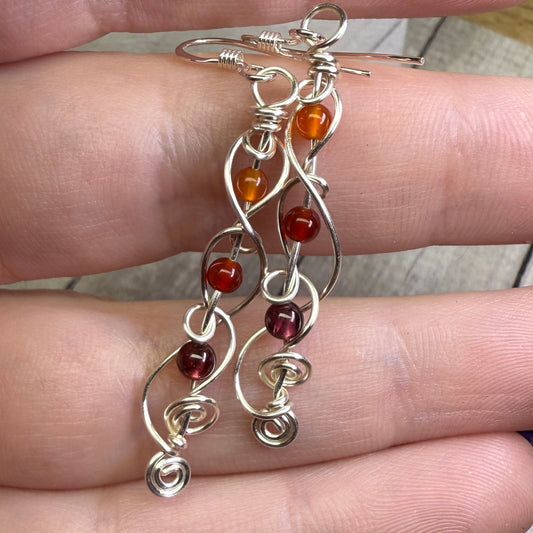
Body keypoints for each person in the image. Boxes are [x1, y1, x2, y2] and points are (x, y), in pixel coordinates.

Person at [0, 1, 532, 530]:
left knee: (275, 256)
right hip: (268, 154)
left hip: (289, 152)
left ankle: (238, 405)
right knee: (235, 272)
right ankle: (198, 424)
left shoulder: (310, 120)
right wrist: (272, 109)